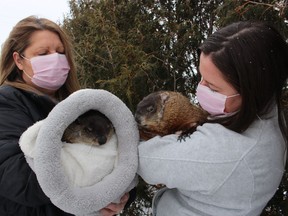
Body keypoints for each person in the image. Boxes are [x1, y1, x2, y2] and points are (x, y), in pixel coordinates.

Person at [137, 21, 288, 216]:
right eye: (201, 77)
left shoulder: (223, 152)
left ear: (250, 91)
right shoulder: (268, 112)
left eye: (212, 87)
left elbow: (140, 159)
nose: (200, 88)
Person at [0, 16, 132, 216]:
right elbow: (15, 177)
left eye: (61, 52)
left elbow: (121, 152)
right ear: (18, 60)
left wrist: (122, 194)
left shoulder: (83, 104)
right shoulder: (7, 101)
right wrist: (91, 196)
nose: (55, 59)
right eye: (43, 53)